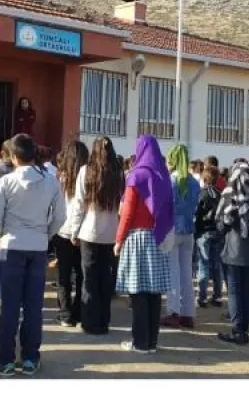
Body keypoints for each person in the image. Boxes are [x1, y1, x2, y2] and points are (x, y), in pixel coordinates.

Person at [0, 134, 65, 376]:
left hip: (11, 247)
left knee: (9, 306)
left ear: (14, 157)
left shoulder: (7, 181)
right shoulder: (51, 181)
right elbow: (60, 217)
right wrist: (44, 236)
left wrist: (4, 239)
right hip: (38, 247)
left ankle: (4, 360)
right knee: (33, 306)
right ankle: (30, 358)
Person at [114, 135, 173, 354]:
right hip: (157, 236)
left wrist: (118, 239)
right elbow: (169, 209)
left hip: (137, 237)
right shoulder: (163, 175)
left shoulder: (136, 176)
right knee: (154, 292)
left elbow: (127, 212)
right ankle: (152, 341)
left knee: (137, 291)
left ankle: (139, 342)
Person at [69, 137, 123, 335]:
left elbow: (79, 204)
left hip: (89, 232)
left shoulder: (86, 171)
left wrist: (74, 230)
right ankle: (104, 320)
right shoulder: (118, 173)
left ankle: (89, 322)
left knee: (89, 279)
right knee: (105, 279)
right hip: (111, 233)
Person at [216, 162, 249, 345]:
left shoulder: (230, 194)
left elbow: (222, 221)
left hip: (234, 248)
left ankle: (237, 331)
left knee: (234, 291)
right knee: (246, 290)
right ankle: (245, 329)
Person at [162, 145, 200, 329]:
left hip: (173, 229)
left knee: (173, 272)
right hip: (188, 230)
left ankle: (173, 311)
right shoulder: (194, 182)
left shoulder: (171, 181)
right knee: (186, 273)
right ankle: (188, 313)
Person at [55, 140, 89, 327]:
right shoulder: (88, 177)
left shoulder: (61, 178)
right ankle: (78, 311)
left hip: (63, 230)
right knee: (81, 274)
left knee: (64, 275)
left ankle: (65, 313)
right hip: (82, 232)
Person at [195, 166, 224, 307]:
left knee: (203, 264)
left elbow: (197, 214)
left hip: (204, 232)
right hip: (218, 232)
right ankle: (218, 296)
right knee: (217, 264)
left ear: (204, 179)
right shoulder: (221, 194)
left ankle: (203, 297)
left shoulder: (201, 194)